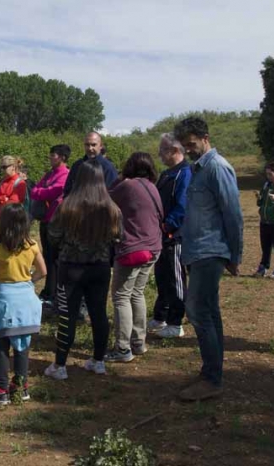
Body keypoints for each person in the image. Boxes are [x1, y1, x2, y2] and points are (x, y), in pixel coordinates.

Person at [174, 117, 243, 401]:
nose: (188, 150)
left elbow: (234, 215)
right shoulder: (197, 170)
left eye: (191, 144)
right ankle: (212, 372)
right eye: (185, 146)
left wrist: (235, 255)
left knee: (198, 311)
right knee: (209, 312)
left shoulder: (217, 168)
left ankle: (213, 379)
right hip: (197, 251)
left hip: (210, 251)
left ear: (205, 137)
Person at [43, 162, 123, 380]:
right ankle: (98, 361)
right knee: (98, 314)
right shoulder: (112, 208)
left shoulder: (67, 206)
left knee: (67, 316)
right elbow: (119, 237)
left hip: (71, 268)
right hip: (100, 267)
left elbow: (53, 236)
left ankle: (60, 366)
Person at [0, 203, 46, 405]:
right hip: (27, 299)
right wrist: (29, 279)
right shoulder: (32, 245)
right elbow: (43, 271)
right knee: (23, 346)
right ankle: (21, 387)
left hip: (5, 300)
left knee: (2, 346)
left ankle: (0, 390)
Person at [105, 153, 164, 363]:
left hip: (133, 249)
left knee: (121, 296)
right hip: (153, 247)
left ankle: (122, 348)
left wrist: (120, 177)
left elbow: (104, 198)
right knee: (137, 294)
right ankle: (139, 342)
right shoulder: (152, 186)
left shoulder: (128, 186)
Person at [149, 133, 192, 339]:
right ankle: (161, 316)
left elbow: (182, 206)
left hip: (174, 236)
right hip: (161, 236)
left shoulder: (185, 173)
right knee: (162, 277)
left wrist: (167, 226)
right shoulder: (167, 174)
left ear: (174, 151)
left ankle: (176, 322)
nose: (159, 155)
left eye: (162, 150)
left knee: (175, 280)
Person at [30, 144, 71, 304]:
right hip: (45, 220)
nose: (50, 157)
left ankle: (54, 294)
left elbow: (55, 191)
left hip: (56, 221)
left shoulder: (65, 174)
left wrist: (40, 192)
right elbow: (36, 190)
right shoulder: (50, 173)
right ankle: (49, 291)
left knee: (54, 258)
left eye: (53, 155)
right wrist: (41, 192)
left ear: (62, 157)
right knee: (47, 256)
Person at [0, 155, 27, 222]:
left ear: (13, 167)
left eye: (4, 167)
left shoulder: (20, 183)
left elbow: (12, 204)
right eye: (1, 167)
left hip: (12, 220)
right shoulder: (1, 181)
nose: (2, 170)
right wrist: (2, 198)